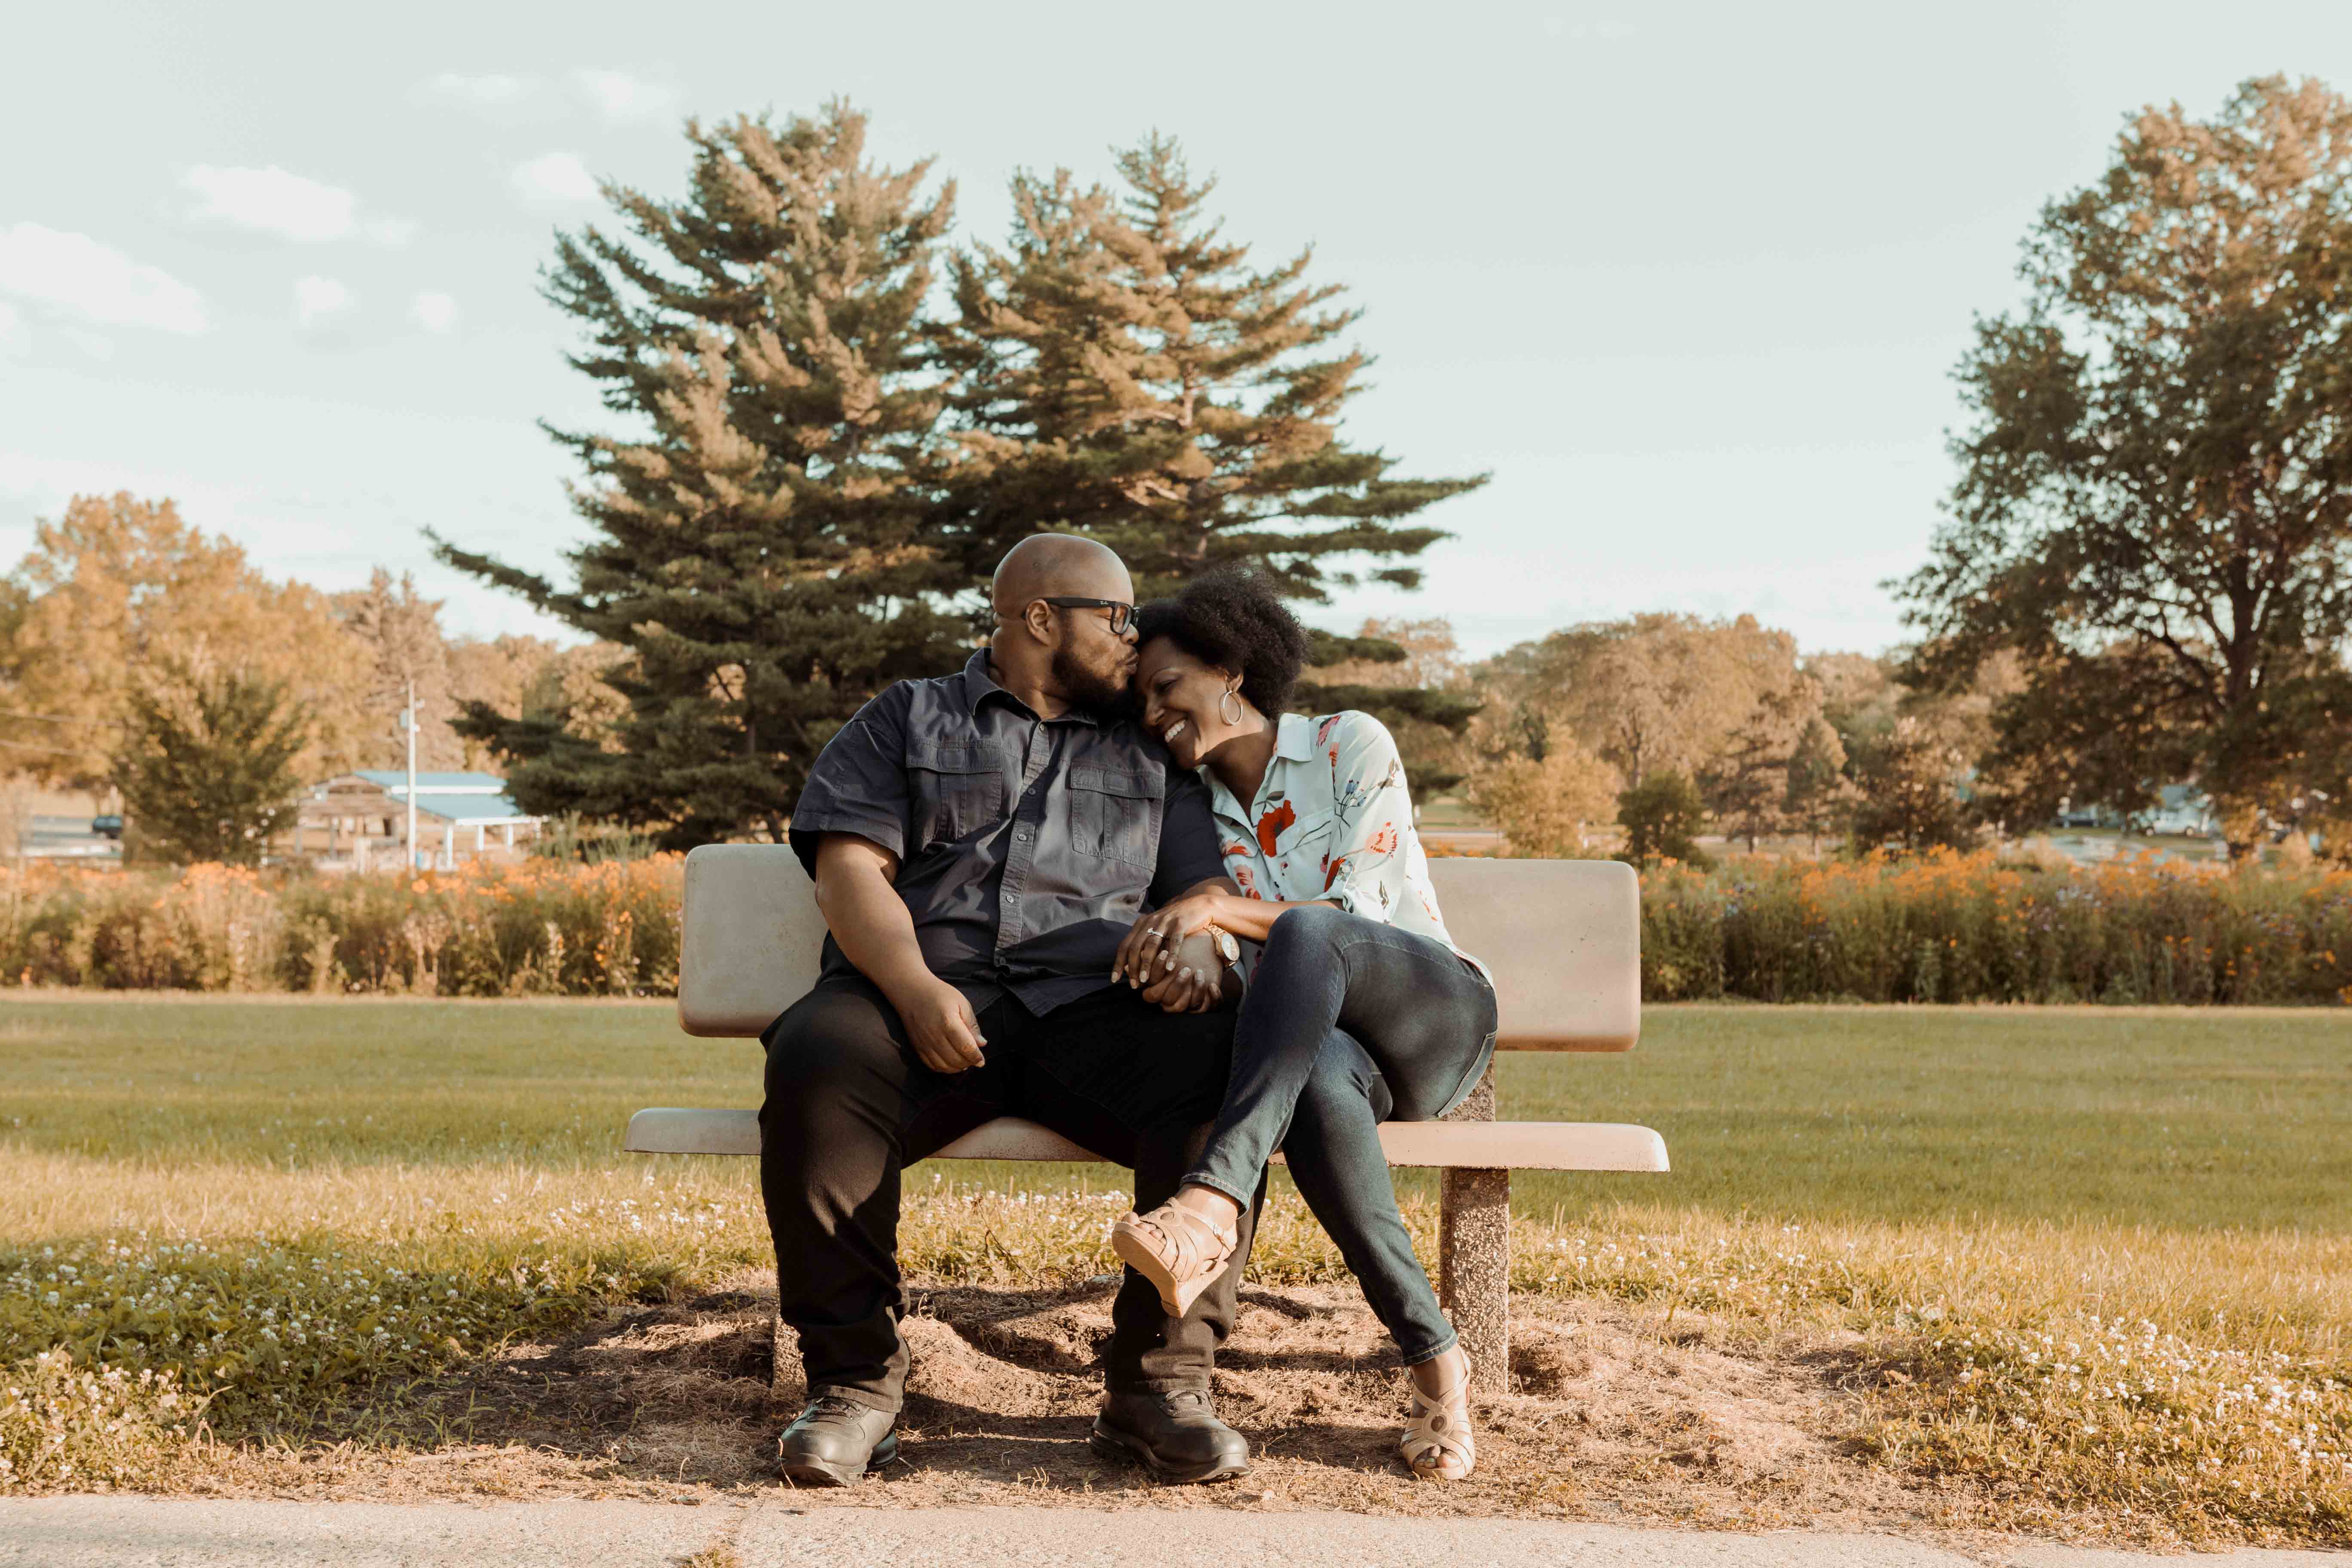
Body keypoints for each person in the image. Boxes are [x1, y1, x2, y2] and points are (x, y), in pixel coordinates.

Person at [761, 535, 1259, 1488]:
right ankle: (854, 1385)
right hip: (926, 1006)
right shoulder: (906, 719)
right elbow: (849, 870)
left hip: (1096, 1014)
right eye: (1118, 617)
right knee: (819, 1050)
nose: (1135, 637)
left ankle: (1159, 1387)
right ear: (1040, 618)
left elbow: (1205, 889)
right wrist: (913, 989)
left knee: (1225, 1065)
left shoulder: (1147, 749)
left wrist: (1200, 948)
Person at [1103, 567, 1499, 1482]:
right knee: (1315, 1088)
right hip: (1330, 1055)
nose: (1154, 714)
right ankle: (1437, 1360)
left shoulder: (1345, 742)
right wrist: (1185, 952)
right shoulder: (1192, 814)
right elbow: (1220, 960)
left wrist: (1219, 907)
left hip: (1431, 1014)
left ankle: (1210, 1203)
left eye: (1168, 686)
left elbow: (1360, 908)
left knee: (1311, 931)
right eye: (1141, 703)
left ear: (1231, 670)